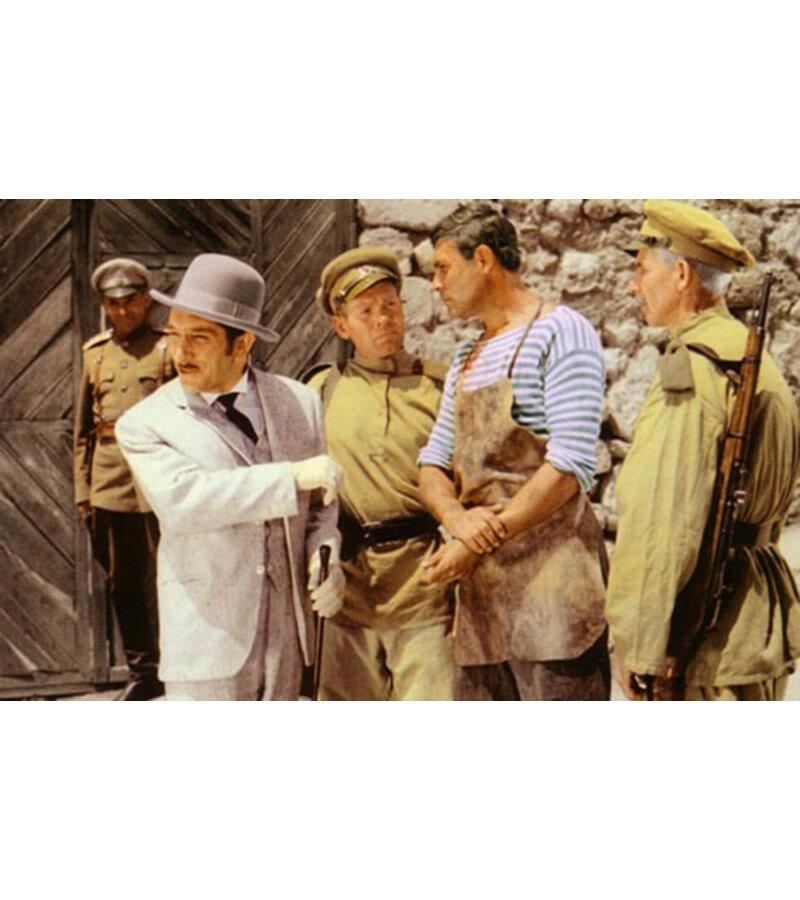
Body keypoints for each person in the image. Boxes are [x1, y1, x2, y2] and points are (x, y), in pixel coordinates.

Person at [115, 253, 344, 701]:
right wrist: (290, 477)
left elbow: (321, 507)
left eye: (199, 337)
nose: (180, 352)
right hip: (207, 642)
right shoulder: (145, 422)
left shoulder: (300, 402)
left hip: (288, 641)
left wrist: (326, 556)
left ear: (242, 345)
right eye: (174, 334)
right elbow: (186, 502)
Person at [607, 199, 800, 701]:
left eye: (641, 270)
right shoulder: (747, 358)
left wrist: (640, 646)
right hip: (751, 623)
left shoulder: (696, 370)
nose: (632, 286)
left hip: (705, 641)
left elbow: (664, 523)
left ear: (681, 275)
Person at [418, 203, 609, 701]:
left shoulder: (562, 331)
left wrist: (474, 543)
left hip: (554, 596)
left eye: (442, 268)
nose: (434, 285)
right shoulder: (467, 355)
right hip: (483, 602)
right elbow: (432, 462)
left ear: (483, 259)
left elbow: (568, 465)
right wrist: (458, 521)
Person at [308, 247, 455, 700]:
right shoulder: (320, 390)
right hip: (347, 590)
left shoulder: (440, 386)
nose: (383, 320)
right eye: (366, 311)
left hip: (423, 586)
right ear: (341, 326)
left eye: (390, 306)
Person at [74, 257, 174, 700]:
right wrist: (83, 490)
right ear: (104, 306)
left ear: (146, 301)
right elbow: (83, 429)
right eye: (112, 304)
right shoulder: (94, 353)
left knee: (174, 575)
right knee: (124, 582)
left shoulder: (168, 348)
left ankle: (177, 664)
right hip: (110, 481)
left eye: (130, 301)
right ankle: (143, 671)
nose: (122, 311)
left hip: (161, 477)